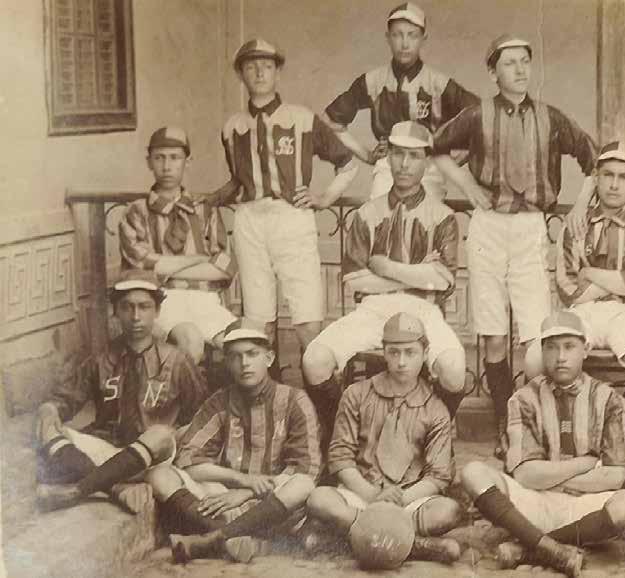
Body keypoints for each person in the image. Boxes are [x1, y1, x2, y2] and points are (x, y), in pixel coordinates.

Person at [432, 35, 598, 457]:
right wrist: (467, 185)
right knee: (492, 335)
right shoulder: (478, 115)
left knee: (535, 336)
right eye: (510, 63)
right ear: (493, 72)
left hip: (529, 228)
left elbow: (591, 157)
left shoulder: (550, 117)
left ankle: (533, 423)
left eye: (525, 61)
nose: (520, 69)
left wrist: (580, 205)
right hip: (488, 227)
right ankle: (504, 425)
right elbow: (435, 147)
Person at [302, 121, 466, 451]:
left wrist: (384, 266)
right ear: (388, 157)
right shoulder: (366, 214)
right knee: (314, 360)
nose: (404, 164)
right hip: (373, 309)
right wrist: (419, 273)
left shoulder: (443, 216)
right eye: (398, 154)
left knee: (453, 370)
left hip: (423, 311)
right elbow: (354, 278)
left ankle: (428, 432)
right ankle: (344, 432)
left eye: (414, 156)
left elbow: (444, 280)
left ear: (426, 161)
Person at [207, 38, 358, 374]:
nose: (259, 73)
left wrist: (323, 198)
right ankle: (267, 395)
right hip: (249, 221)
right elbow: (241, 180)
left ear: (278, 72)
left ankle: (317, 396)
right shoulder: (232, 127)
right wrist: (210, 198)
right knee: (258, 319)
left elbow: (348, 164)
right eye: (251, 67)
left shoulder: (302, 119)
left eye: (267, 66)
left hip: (291, 220)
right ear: (240, 75)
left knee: (307, 319)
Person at [459, 311, 625, 577]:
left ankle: (530, 548)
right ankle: (550, 546)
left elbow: (615, 475)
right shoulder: (523, 398)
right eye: (551, 348)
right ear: (542, 352)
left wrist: (550, 477)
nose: (560, 357)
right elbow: (525, 475)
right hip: (536, 502)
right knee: (473, 472)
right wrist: (585, 463)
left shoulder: (609, 399)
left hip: (586, 505)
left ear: (585, 349)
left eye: (569, 346)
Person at [526, 140, 625, 454]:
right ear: (596, 178)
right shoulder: (575, 225)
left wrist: (589, 273)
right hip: (583, 311)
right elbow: (568, 289)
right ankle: (551, 436)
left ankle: (620, 436)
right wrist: (618, 281)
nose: (614, 184)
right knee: (535, 359)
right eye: (608, 175)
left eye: (623, 177)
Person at [33, 269, 208, 513]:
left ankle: (80, 489)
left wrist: (177, 435)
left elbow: (202, 415)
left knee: (160, 433)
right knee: (47, 427)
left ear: (157, 311)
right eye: (126, 307)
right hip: (107, 450)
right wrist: (50, 410)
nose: (136, 316)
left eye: (144, 307)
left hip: (151, 458)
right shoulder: (101, 358)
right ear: (115, 311)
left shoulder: (177, 360)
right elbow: (65, 399)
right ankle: (116, 489)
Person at [150, 318, 321, 564]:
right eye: (235, 356)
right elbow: (189, 459)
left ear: (269, 358)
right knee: (160, 475)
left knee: (302, 485)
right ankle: (240, 540)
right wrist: (241, 481)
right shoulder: (219, 402)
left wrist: (246, 492)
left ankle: (212, 539)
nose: (244, 363)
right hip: (223, 502)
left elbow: (306, 468)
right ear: (227, 362)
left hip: (272, 505)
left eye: (252, 354)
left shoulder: (294, 400)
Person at [305, 313, 463, 564]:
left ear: (425, 354)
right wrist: (371, 495)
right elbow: (340, 457)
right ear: (383, 353)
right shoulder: (356, 394)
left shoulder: (435, 409)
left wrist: (399, 499)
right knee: (319, 499)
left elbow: (438, 475)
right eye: (394, 352)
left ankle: (354, 537)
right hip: (362, 495)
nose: (401, 362)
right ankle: (415, 545)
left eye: (410, 353)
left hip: (408, 499)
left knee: (448, 511)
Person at [323, 2, 479, 199]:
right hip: (388, 167)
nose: (405, 43)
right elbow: (330, 121)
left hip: (427, 169)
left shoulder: (438, 83)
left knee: (426, 216)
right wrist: (368, 156)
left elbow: (482, 119)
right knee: (381, 213)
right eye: (397, 35)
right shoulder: (373, 81)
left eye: (412, 35)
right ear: (388, 37)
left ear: (423, 38)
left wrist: (449, 160)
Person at [119, 126, 237, 365]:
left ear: (187, 161)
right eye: (159, 158)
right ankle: (185, 391)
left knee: (239, 342)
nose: (167, 166)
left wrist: (165, 266)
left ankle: (218, 392)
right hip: (162, 301)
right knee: (191, 341)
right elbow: (143, 266)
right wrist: (199, 259)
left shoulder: (204, 209)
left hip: (205, 299)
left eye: (175, 158)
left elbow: (224, 267)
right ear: (149, 162)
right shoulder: (136, 212)